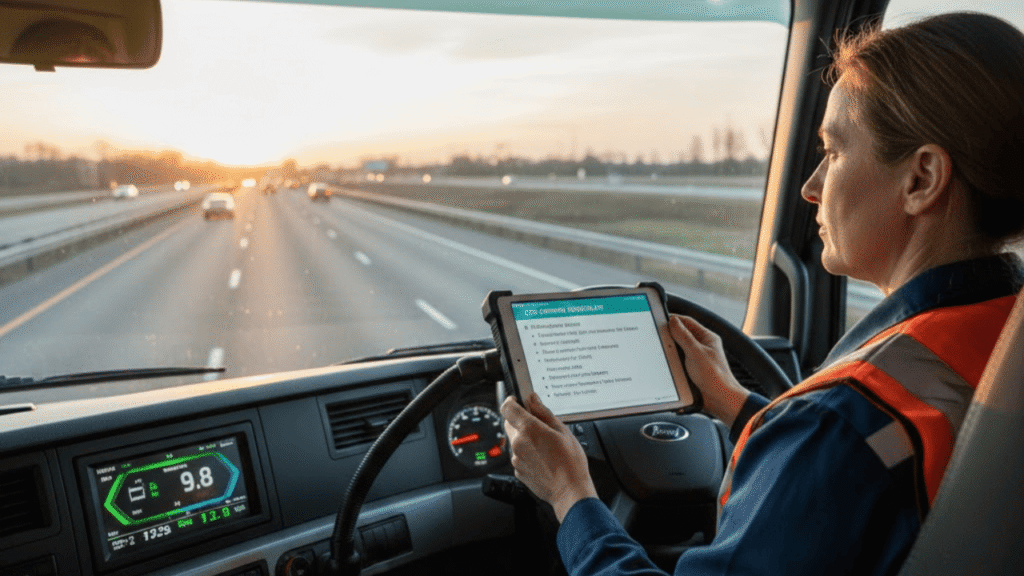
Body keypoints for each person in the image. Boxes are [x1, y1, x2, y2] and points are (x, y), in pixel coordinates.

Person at [501, 12, 1024, 576]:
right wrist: (734, 403)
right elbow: (863, 461)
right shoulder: (1003, 335)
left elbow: (840, 443)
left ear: (921, 179)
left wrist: (571, 496)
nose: (810, 186)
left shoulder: (837, 422)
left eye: (835, 152)